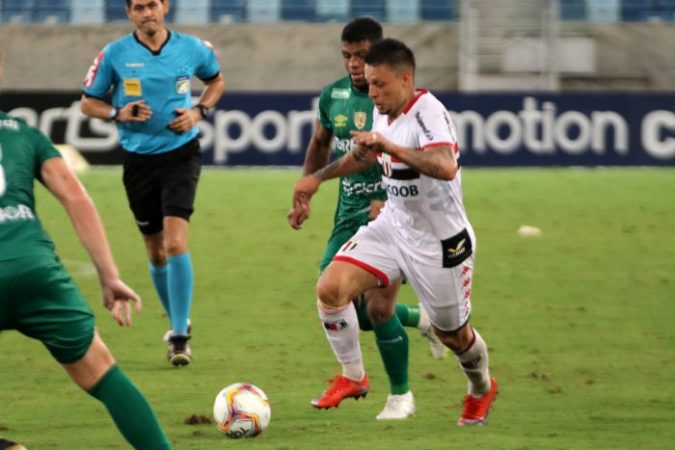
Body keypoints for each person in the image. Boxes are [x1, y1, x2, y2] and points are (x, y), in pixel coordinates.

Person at [291, 38, 498, 426]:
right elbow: (363, 155)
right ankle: (354, 376)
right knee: (330, 289)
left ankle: (481, 387)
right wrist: (316, 179)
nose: (372, 92)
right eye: (369, 84)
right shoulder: (381, 110)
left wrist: (391, 146)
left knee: (454, 336)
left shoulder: (428, 111)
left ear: (405, 79)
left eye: (379, 84)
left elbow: (444, 166)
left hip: (440, 244)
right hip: (393, 227)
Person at [0, 55, 172, 449]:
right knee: (104, 374)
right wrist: (109, 276)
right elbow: (76, 198)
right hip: (34, 269)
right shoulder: (24, 133)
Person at [80, 0, 225, 366]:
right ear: (129, 13)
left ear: (165, 7)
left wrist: (198, 111)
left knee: (175, 243)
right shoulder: (114, 54)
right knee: (155, 251)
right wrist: (118, 112)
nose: (147, 12)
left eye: (153, 4)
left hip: (181, 155)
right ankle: (179, 319)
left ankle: (178, 336)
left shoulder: (193, 48)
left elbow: (216, 81)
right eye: (139, 7)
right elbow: (88, 103)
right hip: (138, 161)